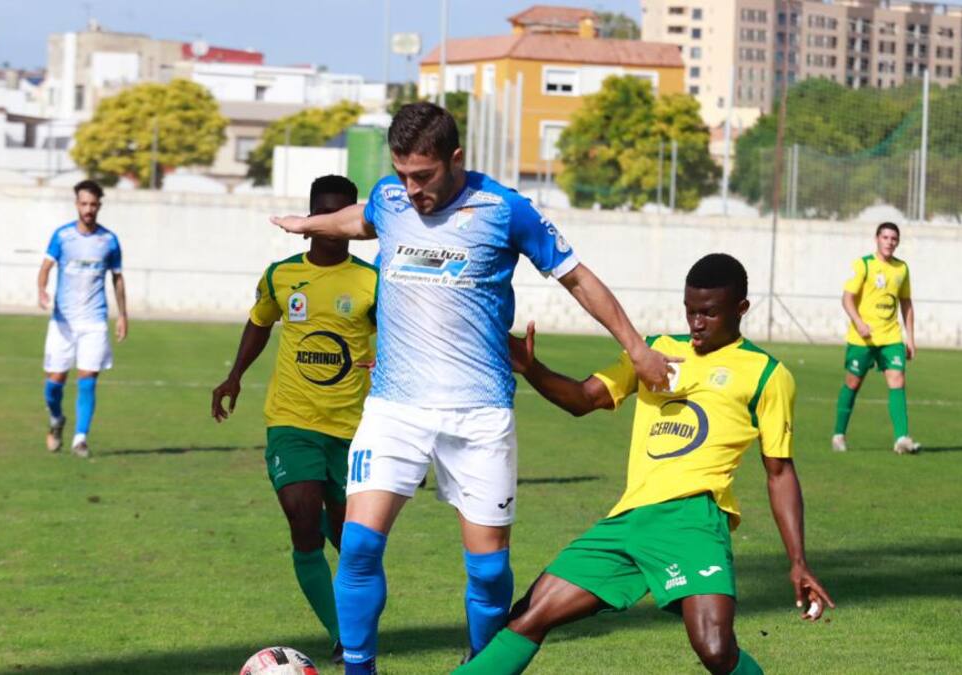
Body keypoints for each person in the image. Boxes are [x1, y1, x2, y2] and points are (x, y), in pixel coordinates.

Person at [271, 102, 674, 674]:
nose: (411, 189)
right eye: (402, 174)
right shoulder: (391, 198)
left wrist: (637, 348)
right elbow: (361, 218)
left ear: (455, 159)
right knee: (358, 548)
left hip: (479, 414)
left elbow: (577, 277)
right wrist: (306, 224)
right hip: (395, 409)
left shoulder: (504, 209)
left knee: (486, 572)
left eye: (424, 176)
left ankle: (482, 666)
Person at [456, 253, 834, 675]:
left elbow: (779, 472)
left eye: (709, 313)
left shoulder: (767, 374)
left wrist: (798, 560)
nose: (696, 323)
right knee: (531, 614)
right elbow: (584, 399)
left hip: (692, 520)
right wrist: (532, 369)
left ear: (740, 309)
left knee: (715, 648)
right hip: (629, 520)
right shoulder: (654, 350)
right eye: (690, 311)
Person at [211, 175, 377, 663]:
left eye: (340, 215)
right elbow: (259, 321)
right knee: (303, 524)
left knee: (354, 548)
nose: (330, 226)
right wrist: (234, 375)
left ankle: (336, 531)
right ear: (307, 221)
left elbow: (393, 340)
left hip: (352, 430)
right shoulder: (281, 275)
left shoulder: (371, 282)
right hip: (292, 423)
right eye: (321, 215)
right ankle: (343, 635)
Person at [36, 180, 127, 458]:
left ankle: (80, 438)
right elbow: (46, 267)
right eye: (83, 204)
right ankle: (56, 420)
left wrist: (122, 314)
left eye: (93, 204)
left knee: (87, 378)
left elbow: (118, 278)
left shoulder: (109, 241)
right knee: (54, 383)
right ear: (77, 204)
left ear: (99, 205)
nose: (88, 209)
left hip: (94, 320)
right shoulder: (62, 237)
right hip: (63, 321)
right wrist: (41, 290)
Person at [832, 222, 920, 455]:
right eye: (885, 237)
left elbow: (906, 303)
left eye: (894, 238)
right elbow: (847, 298)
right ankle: (839, 434)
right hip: (863, 339)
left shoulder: (901, 269)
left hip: (891, 337)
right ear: (877, 239)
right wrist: (858, 322)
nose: (890, 242)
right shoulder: (864, 265)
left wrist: (910, 338)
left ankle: (902, 438)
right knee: (853, 383)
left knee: (898, 380)